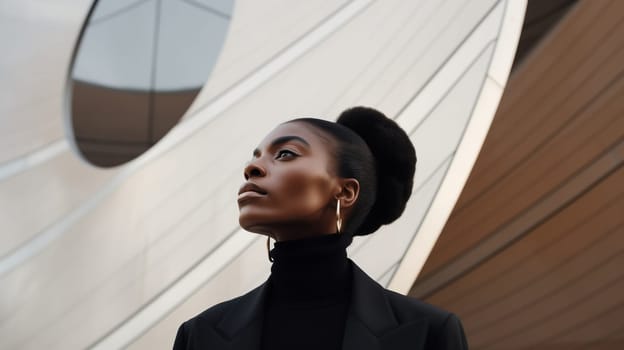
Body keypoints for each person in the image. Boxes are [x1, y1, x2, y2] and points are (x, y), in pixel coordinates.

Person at [173, 107, 469, 349]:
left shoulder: (428, 334)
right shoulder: (199, 336)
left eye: (285, 154)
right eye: (256, 156)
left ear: (345, 192)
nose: (252, 168)